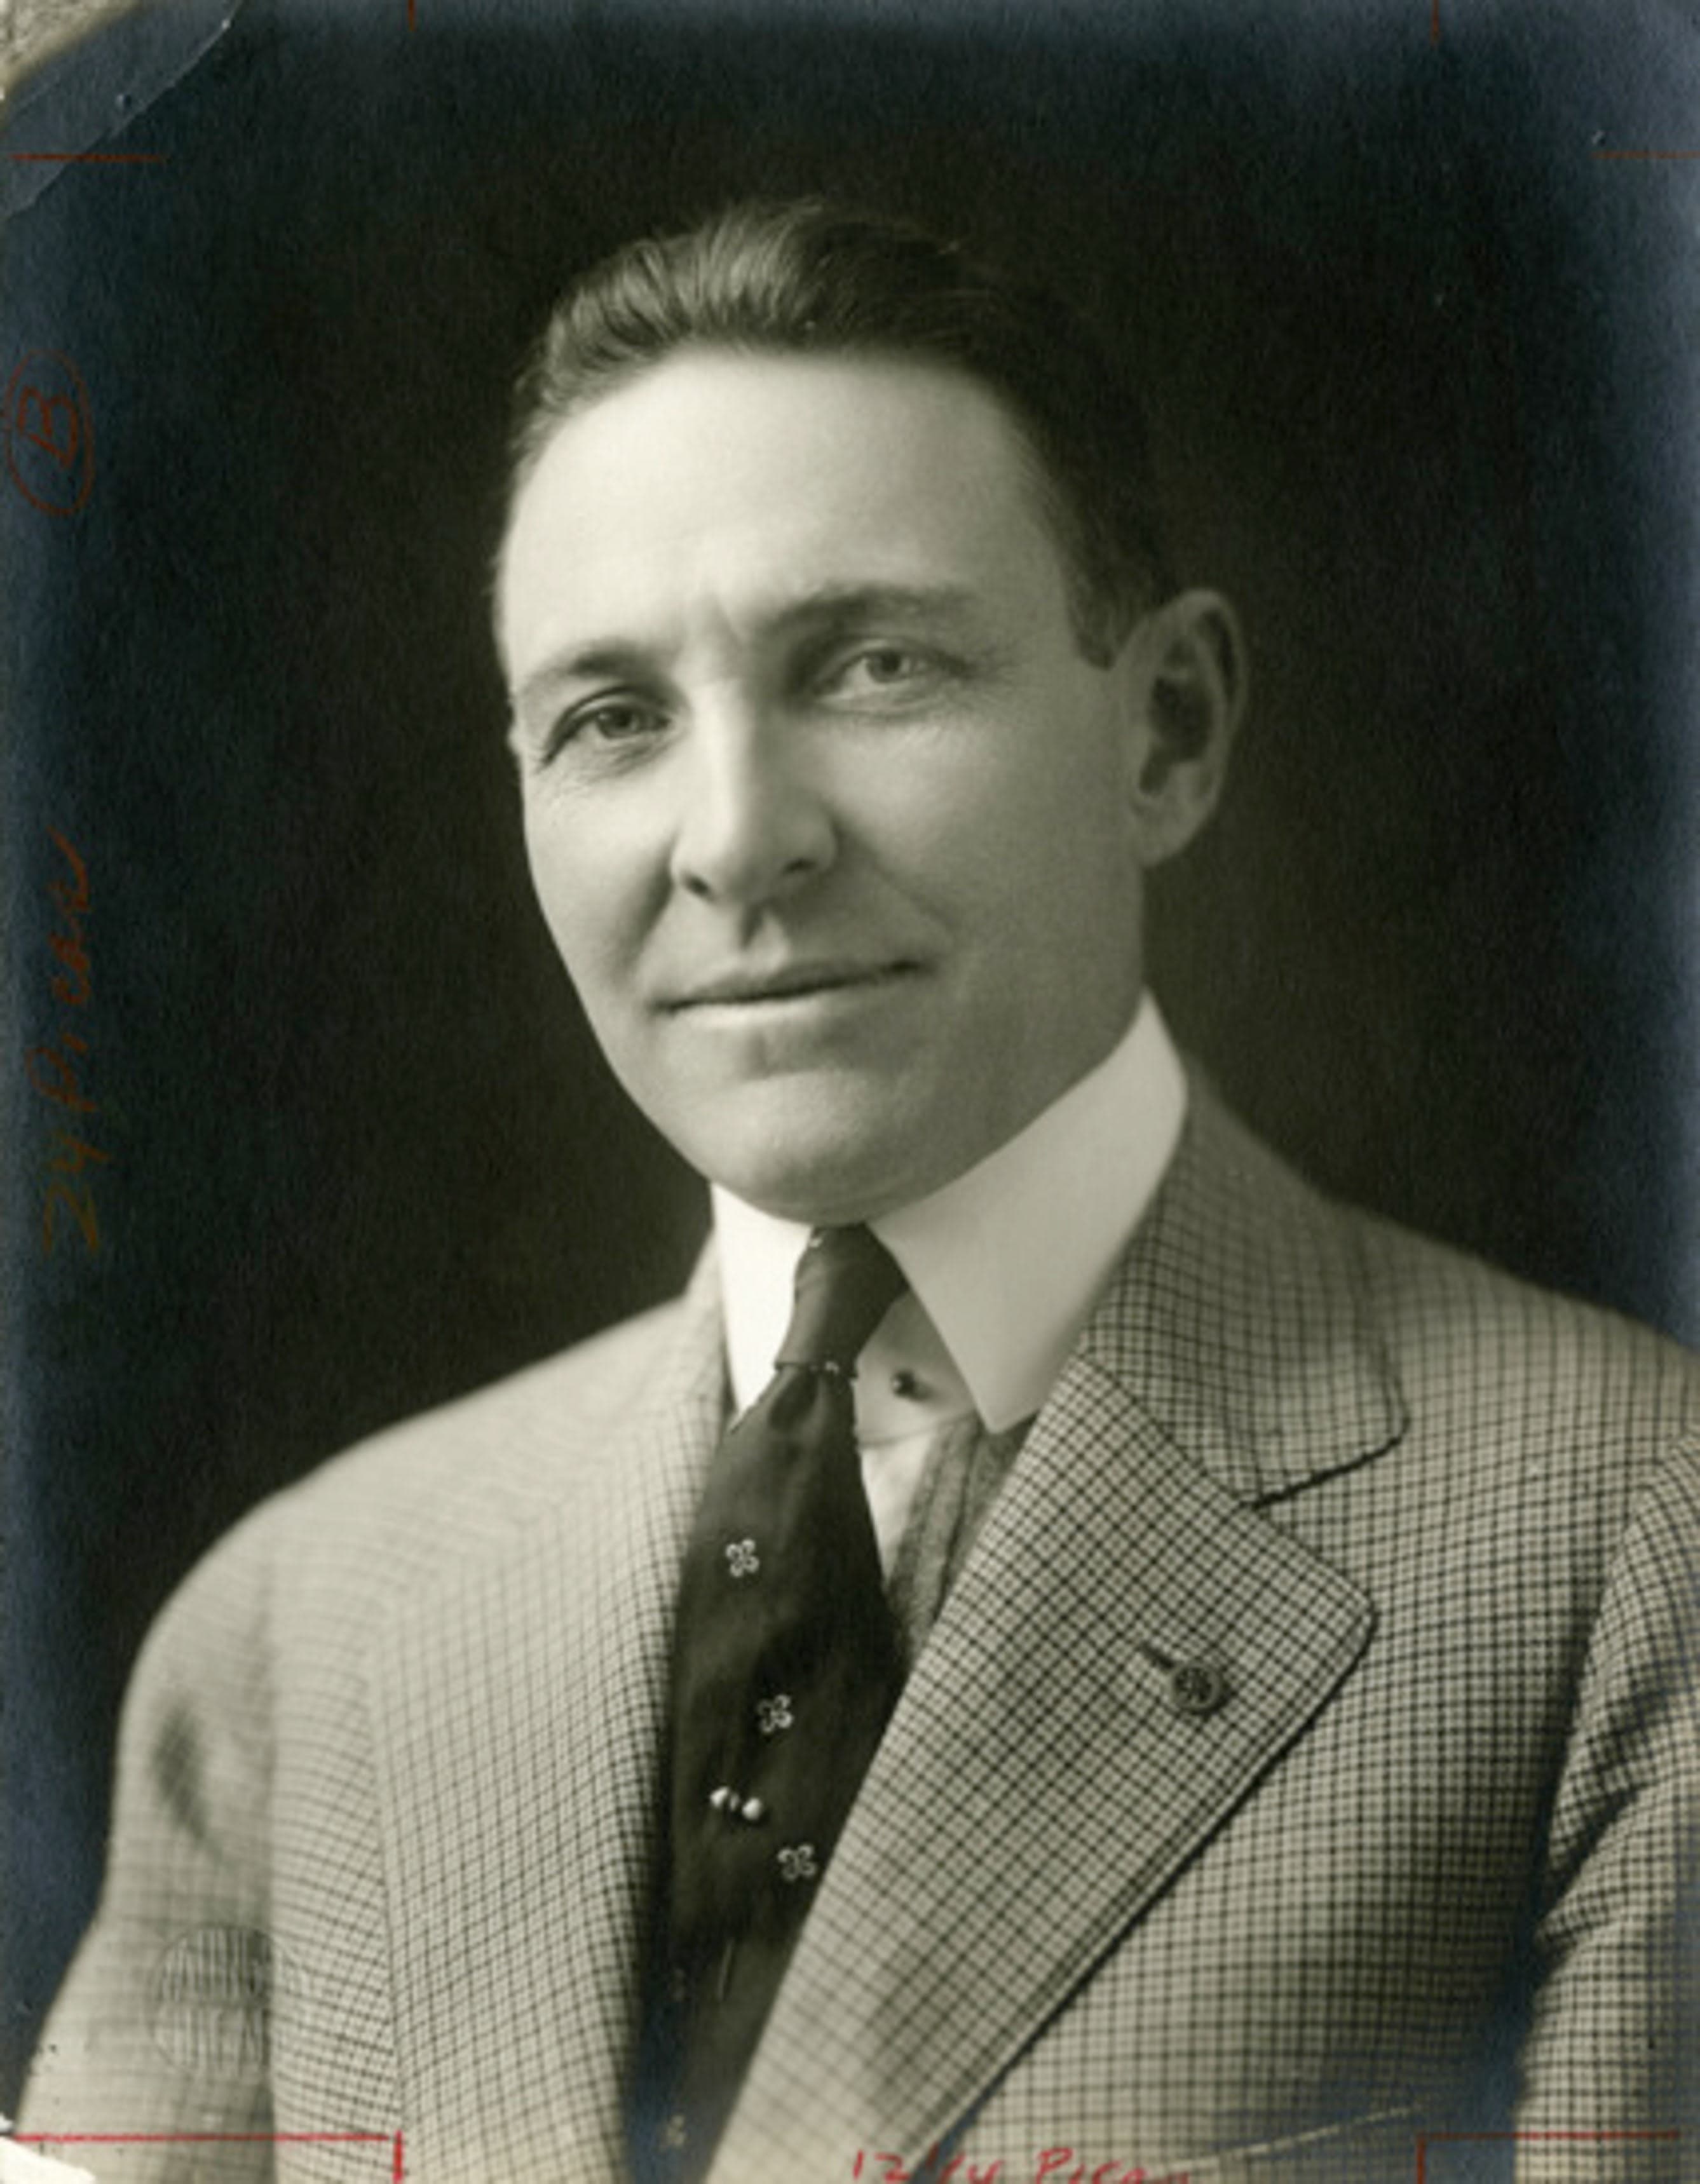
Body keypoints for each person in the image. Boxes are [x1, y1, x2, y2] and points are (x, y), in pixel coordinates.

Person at [21, 199, 1700, 2184]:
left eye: (874, 664)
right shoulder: (296, 1629)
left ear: (1164, 732)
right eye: (612, 718)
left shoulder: (1622, 1551)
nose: (735, 842)